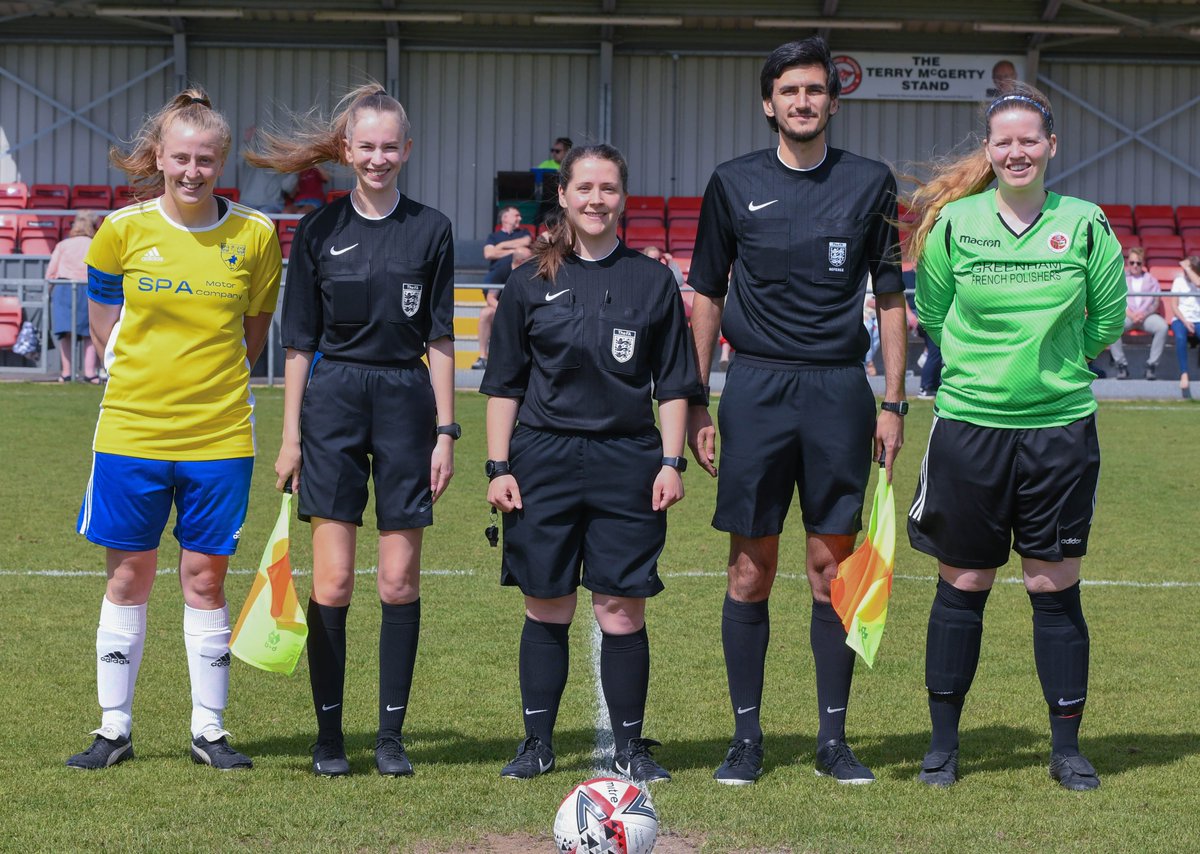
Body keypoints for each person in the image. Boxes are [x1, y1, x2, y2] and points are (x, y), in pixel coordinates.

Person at [685, 36, 906, 786]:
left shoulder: (871, 183)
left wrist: (894, 399)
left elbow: (890, 299)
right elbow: (707, 295)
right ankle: (745, 741)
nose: (803, 102)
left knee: (829, 568)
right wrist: (696, 398)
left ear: (832, 101)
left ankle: (833, 741)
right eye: (790, 91)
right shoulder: (731, 183)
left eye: (815, 90)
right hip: (755, 390)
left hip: (840, 392)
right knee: (750, 567)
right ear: (768, 103)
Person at [904, 82, 1126, 790]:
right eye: (1004, 140)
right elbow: (935, 312)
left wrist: (1052, 370)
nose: (1017, 150)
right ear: (990, 150)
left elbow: (1108, 319)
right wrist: (987, 372)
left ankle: (1066, 749)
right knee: (963, 582)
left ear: (1051, 146)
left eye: (1030, 138)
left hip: (1059, 431)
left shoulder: (1086, 223)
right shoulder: (955, 223)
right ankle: (943, 746)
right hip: (970, 427)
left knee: (1052, 584)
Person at [69, 87, 282, 771]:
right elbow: (104, 325)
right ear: (158, 157)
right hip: (130, 432)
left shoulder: (255, 235)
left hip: (219, 437)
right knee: (129, 577)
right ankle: (114, 727)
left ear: (221, 163)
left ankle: (210, 731)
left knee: (204, 581)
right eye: (181, 158)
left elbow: (253, 339)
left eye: (206, 161)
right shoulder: (120, 231)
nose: (192, 171)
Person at [250, 84, 456, 778]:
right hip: (333, 401)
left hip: (405, 401)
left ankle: (390, 739)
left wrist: (447, 433)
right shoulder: (317, 229)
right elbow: (299, 344)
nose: (377, 157)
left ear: (407, 150)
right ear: (346, 150)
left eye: (389, 146)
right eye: (365, 146)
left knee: (398, 581)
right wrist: (289, 438)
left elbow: (443, 339)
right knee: (333, 583)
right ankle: (330, 738)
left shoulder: (433, 229)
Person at [481, 143, 701, 784]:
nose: (596, 199)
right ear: (564, 197)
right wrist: (499, 468)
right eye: (585, 188)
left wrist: (670, 462)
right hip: (541, 458)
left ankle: (630, 749)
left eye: (607, 188)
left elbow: (675, 383)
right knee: (546, 603)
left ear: (622, 197)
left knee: (621, 609)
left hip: (627, 459)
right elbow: (504, 385)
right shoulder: (528, 281)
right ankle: (536, 744)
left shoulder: (653, 280)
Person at [475, 205, 533, 369]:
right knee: (487, 312)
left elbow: (526, 243)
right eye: (516, 215)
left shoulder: (524, 233)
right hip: (498, 284)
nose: (520, 219)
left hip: (520, 288)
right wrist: (515, 250)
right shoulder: (493, 236)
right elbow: (488, 254)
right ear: (505, 218)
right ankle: (483, 357)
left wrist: (500, 247)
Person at [46, 210, 99, 383]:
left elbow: (51, 272)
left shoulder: (63, 245)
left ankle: (66, 372)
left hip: (64, 288)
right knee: (89, 334)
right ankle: (90, 373)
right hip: (88, 289)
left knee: (65, 333)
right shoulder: (96, 244)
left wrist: (47, 292)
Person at [1109, 247, 1167, 380]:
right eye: (1132, 262)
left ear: (1143, 263)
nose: (1135, 266)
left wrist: (1144, 314)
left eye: (1138, 263)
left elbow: (1156, 302)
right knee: (1111, 326)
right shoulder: (1119, 277)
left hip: (1146, 317)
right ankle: (1121, 365)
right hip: (1127, 315)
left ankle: (1151, 365)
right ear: (1128, 263)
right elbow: (1115, 299)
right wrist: (1130, 314)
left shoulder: (1151, 279)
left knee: (1162, 327)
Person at [238, 125, 297, 214]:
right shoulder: (256, 160)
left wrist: (296, 169)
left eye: (281, 149)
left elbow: (287, 188)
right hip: (248, 202)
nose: (277, 151)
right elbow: (240, 161)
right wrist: (247, 142)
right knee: (243, 215)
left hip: (272, 204)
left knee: (264, 214)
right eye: (274, 147)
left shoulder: (285, 166)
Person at [1168, 256, 1200, 399]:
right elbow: (1174, 305)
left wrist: (1188, 267)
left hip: (1198, 320)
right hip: (1180, 319)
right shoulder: (1179, 281)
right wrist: (1185, 321)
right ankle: (1184, 373)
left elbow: (1198, 283)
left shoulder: (1197, 280)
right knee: (1180, 337)